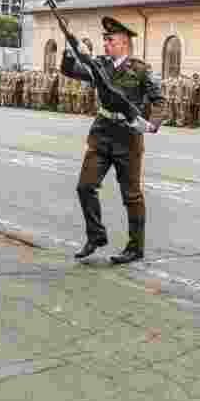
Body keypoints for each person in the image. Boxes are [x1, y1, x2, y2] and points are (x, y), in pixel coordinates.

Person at [61, 16, 165, 265]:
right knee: (85, 187)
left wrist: (152, 124)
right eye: (104, 40)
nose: (105, 44)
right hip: (102, 135)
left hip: (128, 139)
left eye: (110, 40)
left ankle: (135, 247)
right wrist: (70, 50)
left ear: (124, 43)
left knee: (131, 195)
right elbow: (70, 70)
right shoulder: (100, 65)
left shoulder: (141, 70)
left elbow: (158, 100)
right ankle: (96, 236)